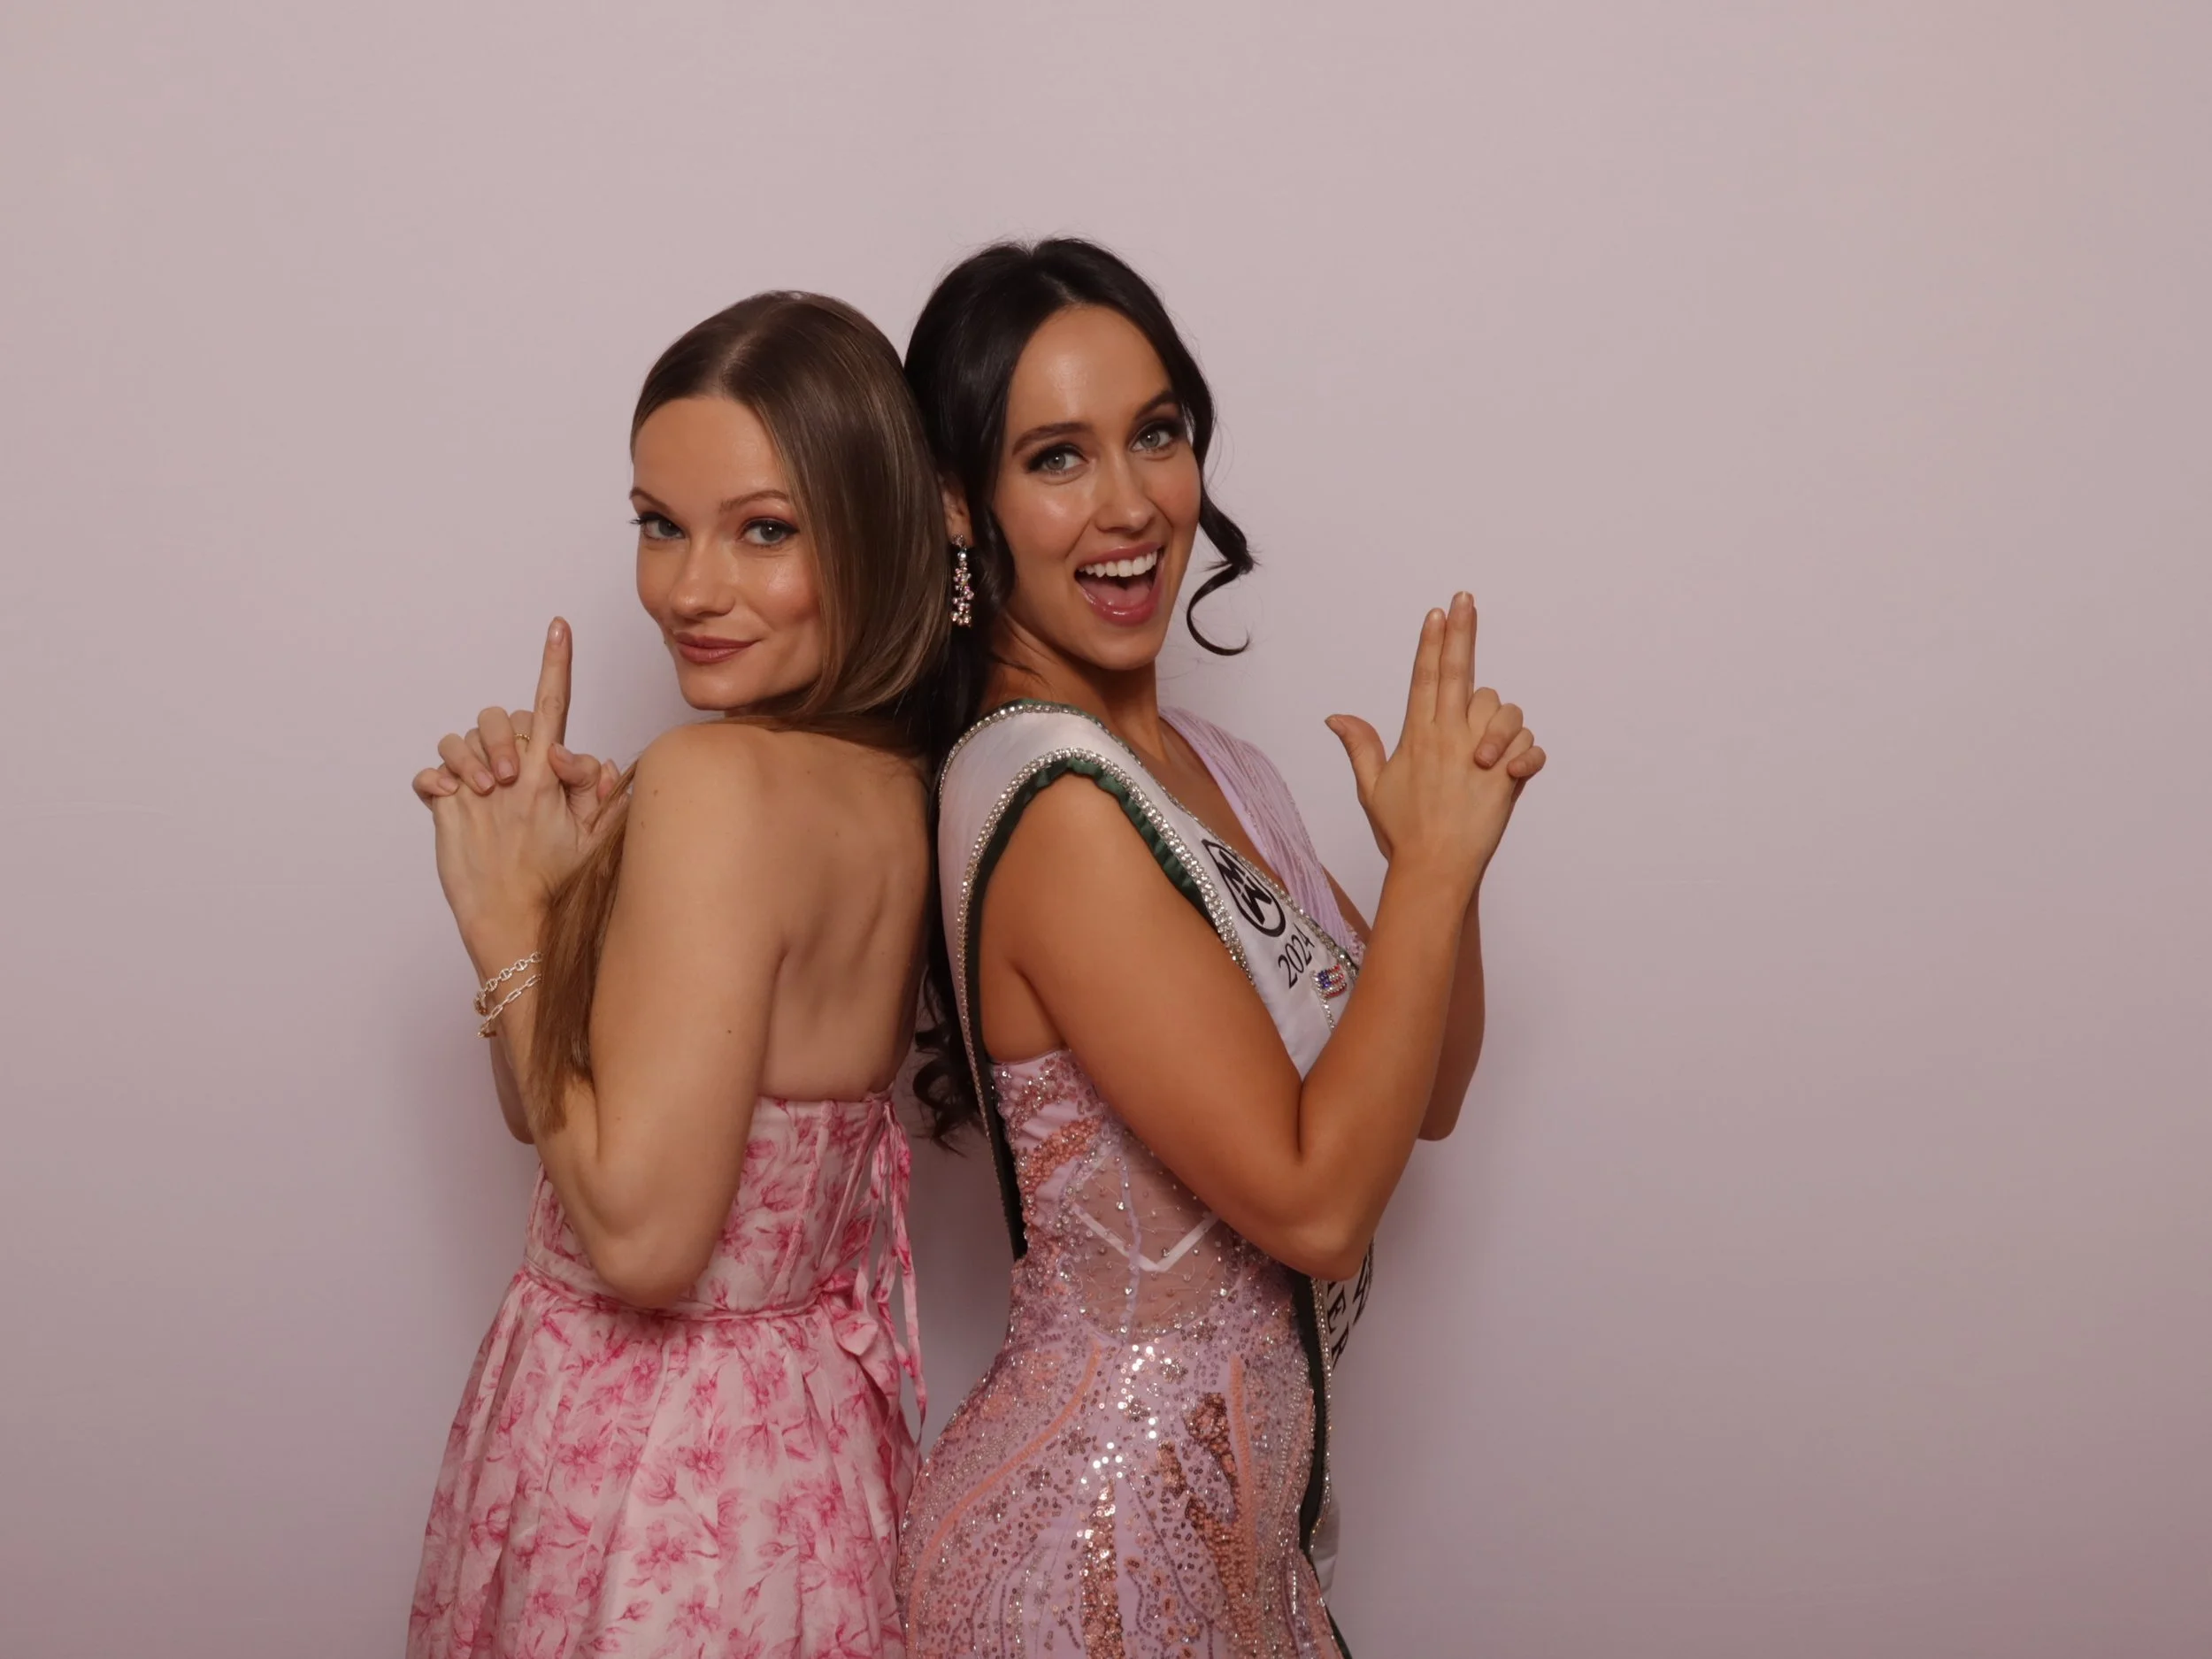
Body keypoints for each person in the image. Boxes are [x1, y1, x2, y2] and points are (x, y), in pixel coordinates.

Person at [895, 240, 1546, 1657]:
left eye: (1158, 433)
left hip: (1225, 1552)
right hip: (1081, 1572)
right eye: (1057, 457)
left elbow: (1422, 1093)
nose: (1131, 503)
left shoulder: (1212, 766)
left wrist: (1444, 867)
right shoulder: (1051, 802)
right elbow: (1318, 1206)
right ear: (957, 501)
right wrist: (1427, 875)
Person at [404, 292, 948, 1657]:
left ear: (874, 532)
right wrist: (565, 923)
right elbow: (562, 1124)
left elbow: (642, 1243)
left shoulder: (718, 785)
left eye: (765, 530)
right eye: (660, 524)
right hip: (807, 1467)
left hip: (655, 1476)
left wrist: (506, 929)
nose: (690, 589)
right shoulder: (892, 783)